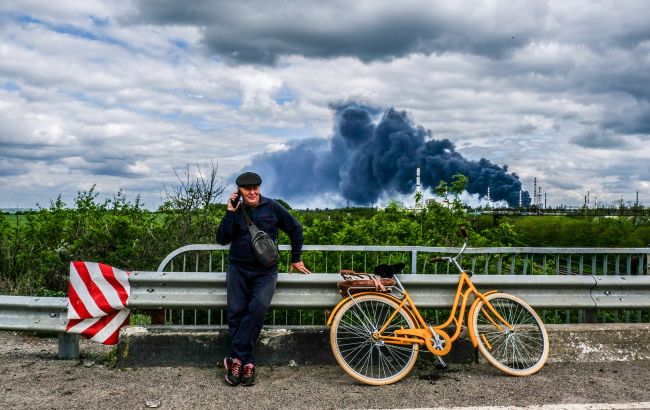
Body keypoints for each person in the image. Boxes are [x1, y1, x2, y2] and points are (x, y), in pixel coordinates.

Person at [216, 171, 311, 386]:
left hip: (265, 271)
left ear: (259, 188)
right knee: (236, 313)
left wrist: (296, 258)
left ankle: (234, 358)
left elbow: (295, 228)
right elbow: (222, 239)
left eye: (255, 187)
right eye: (247, 188)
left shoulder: (272, 207)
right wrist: (230, 212)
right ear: (239, 190)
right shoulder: (236, 210)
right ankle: (246, 363)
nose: (252, 191)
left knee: (258, 308)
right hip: (238, 268)